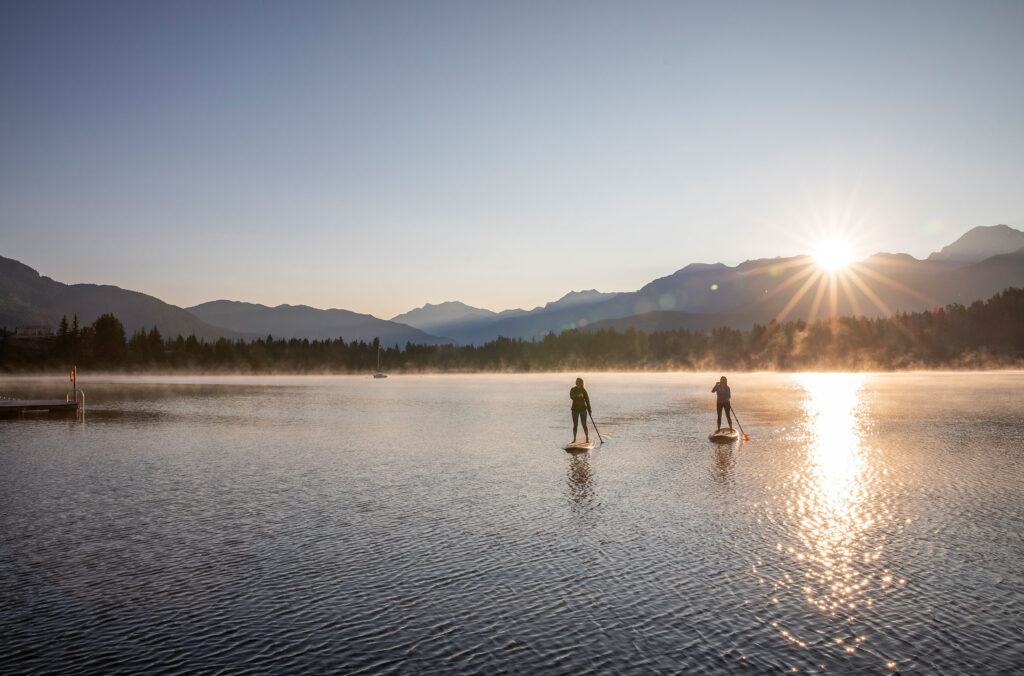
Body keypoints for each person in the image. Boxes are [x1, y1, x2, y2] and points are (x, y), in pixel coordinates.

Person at [569, 377, 592, 441]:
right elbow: (571, 397)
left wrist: (589, 410)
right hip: (574, 409)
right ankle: (574, 439)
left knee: (584, 424)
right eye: (576, 381)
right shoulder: (573, 389)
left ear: (581, 382)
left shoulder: (583, 390)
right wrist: (578, 396)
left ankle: (587, 438)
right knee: (575, 424)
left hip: (583, 409)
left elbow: (587, 400)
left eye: (578, 381)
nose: (576, 382)